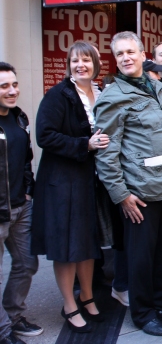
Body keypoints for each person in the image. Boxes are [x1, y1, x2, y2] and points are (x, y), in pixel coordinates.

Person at [95, 31, 162, 336]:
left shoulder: (159, 88)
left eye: (130, 52)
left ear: (141, 52)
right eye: (119, 54)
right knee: (140, 259)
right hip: (141, 194)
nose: (125, 58)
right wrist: (122, 195)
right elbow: (106, 155)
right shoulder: (112, 97)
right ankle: (143, 312)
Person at [32, 40, 109, 333]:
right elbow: (45, 136)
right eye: (75, 61)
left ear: (96, 64)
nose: (81, 66)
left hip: (90, 181)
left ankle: (88, 297)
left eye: (86, 60)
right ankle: (69, 305)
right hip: (62, 184)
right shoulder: (58, 95)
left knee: (87, 244)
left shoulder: (100, 93)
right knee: (66, 248)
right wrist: (84, 144)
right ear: (68, 65)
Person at [0, 62, 41, 344]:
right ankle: (3, 332)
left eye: (14, 85)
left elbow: (26, 158)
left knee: (27, 264)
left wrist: (28, 190)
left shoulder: (18, 117)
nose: (12, 91)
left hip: (20, 206)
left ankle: (13, 316)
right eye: (4, 86)